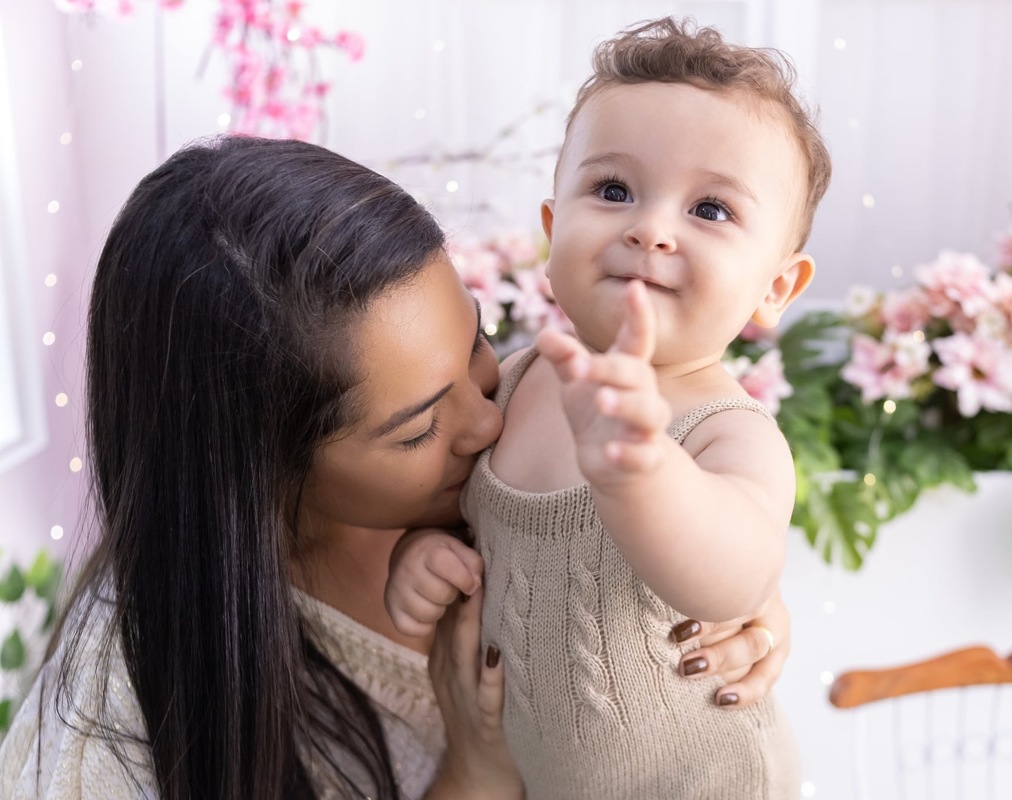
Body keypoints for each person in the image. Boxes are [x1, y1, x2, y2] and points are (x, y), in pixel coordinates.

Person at [0, 135, 791, 800]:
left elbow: (681, 540)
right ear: (263, 476)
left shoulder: (527, 428)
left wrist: (736, 599)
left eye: (477, 341)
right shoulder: (107, 733)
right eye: (418, 431)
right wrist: (474, 774)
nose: (487, 420)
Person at [386, 16, 832, 800]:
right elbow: (469, 516)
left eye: (712, 209)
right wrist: (424, 555)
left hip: (708, 782)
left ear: (775, 288)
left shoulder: (726, 430)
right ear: (553, 229)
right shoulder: (519, 383)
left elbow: (738, 574)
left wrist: (643, 470)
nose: (651, 229)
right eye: (614, 190)